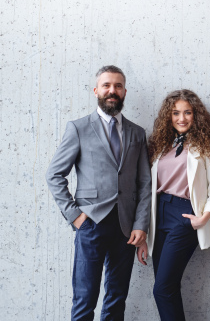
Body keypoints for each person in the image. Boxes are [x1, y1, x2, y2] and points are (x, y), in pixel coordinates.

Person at [46, 65, 152, 320]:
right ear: (96, 90)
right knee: (85, 298)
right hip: (90, 223)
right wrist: (76, 217)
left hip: (126, 226)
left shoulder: (137, 133)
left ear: (124, 92)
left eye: (117, 86)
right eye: (106, 85)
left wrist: (141, 225)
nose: (111, 91)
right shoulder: (79, 128)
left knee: (116, 299)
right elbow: (54, 175)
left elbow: (144, 183)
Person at [137, 89, 210, 320]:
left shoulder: (208, 145)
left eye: (187, 113)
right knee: (168, 287)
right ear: (169, 116)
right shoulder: (159, 143)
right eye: (176, 113)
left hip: (184, 216)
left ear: (196, 115)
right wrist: (144, 232)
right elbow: (147, 188)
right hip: (158, 213)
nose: (181, 118)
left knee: (162, 289)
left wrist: (204, 217)